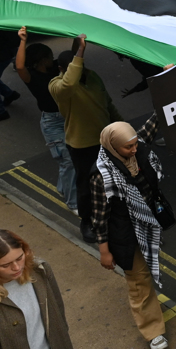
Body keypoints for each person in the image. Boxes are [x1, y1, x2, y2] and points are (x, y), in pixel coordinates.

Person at [92, 113, 173, 349]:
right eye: (128, 147)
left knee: (146, 270)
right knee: (138, 280)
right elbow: (99, 217)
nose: (135, 149)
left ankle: (151, 311)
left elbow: (150, 127)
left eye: (136, 144)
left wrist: (167, 90)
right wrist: (104, 251)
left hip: (148, 224)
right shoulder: (100, 176)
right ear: (112, 146)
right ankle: (153, 331)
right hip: (124, 233)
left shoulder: (136, 148)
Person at [49, 34, 122, 244]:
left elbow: (107, 104)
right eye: (74, 65)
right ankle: (87, 222)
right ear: (63, 69)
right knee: (86, 186)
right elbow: (69, 84)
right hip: (81, 145)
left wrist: (123, 127)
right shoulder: (56, 85)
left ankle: (111, 216)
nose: (80, 68)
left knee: (112, 181)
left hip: (106, 140)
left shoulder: (93, 77)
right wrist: (79, 53)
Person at [14, 27, 78, 215]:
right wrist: (23, 41)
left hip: (69, 117)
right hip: (52, 123)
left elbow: (74, 56)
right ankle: (73, 202)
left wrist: (78, 36)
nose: (53, 58)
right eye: (50, 56)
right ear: (42, 60)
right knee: (68, 161)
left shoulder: (55, 66)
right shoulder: (32, 77)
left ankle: (62, 186)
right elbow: (19, 66)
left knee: (69, 161)